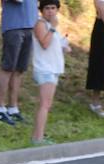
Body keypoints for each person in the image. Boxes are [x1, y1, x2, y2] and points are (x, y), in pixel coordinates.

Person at [31, 0, 71, 145]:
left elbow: (57, 44)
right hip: (44, 69)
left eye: (53, 8)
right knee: (45, 104)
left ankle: (37, 135)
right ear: (41, 10)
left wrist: (65, 46)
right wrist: (53, 28)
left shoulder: (50, 26)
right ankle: (38, 138)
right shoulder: (41, 24)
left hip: (53, 69)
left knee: (46, 104)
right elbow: (44, 43)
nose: (50, 11)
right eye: (47, 8)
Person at [0, 0, 39, 126]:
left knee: (19, 69)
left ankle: (13, 108)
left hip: (30, 26)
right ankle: (0, 108)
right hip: (13, 26)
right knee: (8, 68)